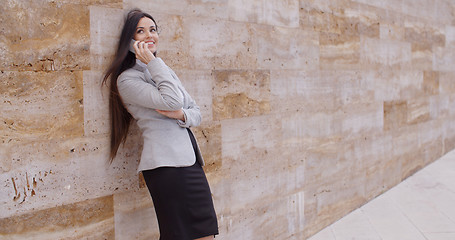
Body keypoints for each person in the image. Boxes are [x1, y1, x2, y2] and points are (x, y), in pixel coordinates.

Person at [102, 9, 219, 240]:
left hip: (189, 162)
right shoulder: (127, 79)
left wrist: (180, 115)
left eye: (153, 30)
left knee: (205, 235)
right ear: (130, 40)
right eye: (140, 31)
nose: (149, 35)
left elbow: (196, 112)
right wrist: (153, 63)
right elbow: (173, 100)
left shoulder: (162, 69)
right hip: (167, 167)